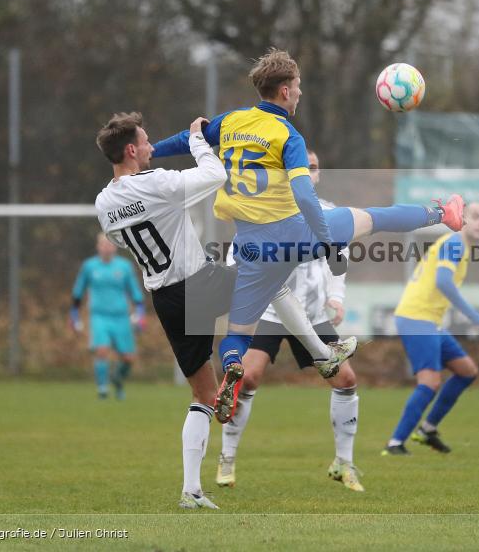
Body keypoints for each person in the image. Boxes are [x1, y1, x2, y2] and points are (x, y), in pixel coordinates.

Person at [152, 48, 465, 425]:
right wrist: (329, 244)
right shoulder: (288, 134)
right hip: (291, 233)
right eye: (298, 87)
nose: (300, 93)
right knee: (371, 218)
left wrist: (151, 151)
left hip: (250, 247)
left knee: (239, 332)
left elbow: (191, 138)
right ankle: (442, 212)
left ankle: (231, 366)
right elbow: (303, 194)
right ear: (285, 91)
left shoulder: (231, 121)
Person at [93, 112, 356, 510]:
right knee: (271, 277)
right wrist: (199, 140)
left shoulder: (104, 202)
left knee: (202, 396)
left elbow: (125, 232)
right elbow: (215, 176)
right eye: (146, 142)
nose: (151, 147)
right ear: (131, 150)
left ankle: (191, 490)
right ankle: (322, 355)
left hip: (165, 299)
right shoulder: (156, 183)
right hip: (198, 282)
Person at [215, 150, 364, 492]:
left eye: (313, 167)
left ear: (319, 173)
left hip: (311, 316)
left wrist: (335, 298)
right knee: (246, 378)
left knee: (346, 380)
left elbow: (339, 259)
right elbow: (236, 251)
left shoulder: (327, 212)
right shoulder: (264, 207)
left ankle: (344, 462)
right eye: (301, 168)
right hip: (268, 311)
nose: (308, 172)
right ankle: (227, 458)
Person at [382, 203, 479, 456]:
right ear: (463, 218)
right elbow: (443, 281)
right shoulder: (454, 242)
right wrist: (474, 316)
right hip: (416, 317)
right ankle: (395, 443)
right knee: (430, 382)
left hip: (430, 321)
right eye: (475, 217)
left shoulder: (459, 246)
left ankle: (427, 430)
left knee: (467, 371)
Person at [70, 233, 145, 400]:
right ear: (98, 246)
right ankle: (102, 388)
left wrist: (140, 314)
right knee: (102, 350)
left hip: (121, 317)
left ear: (115, 246)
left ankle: (117, 380)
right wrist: (74, 315)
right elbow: (78, 291)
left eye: (109, 244)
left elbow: (135, 292)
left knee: (127, 357)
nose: (107, 247)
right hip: (99, 316)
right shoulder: (89, 266)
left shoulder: (124, 267)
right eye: (103, 244)